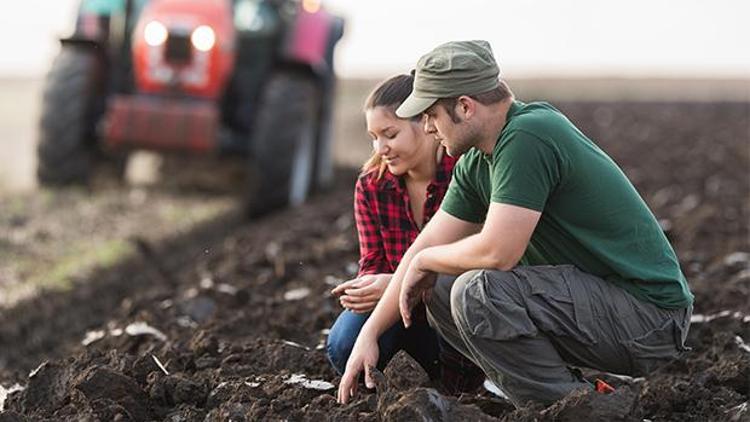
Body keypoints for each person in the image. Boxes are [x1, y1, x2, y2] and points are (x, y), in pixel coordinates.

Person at [337, 40, 693, 407]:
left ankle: (585, 409)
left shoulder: (528, 136)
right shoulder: (476, 162)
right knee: (440, 289)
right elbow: (423, 247)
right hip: (596, 305)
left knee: (478, 291)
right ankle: (567, 398)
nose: (427, 128)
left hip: (649, 318)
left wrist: (425, 262)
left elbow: (498, 252)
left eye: (431, 115)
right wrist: (371, 334)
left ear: (464, 107)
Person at [326, 74, 484, 393]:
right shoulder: (372, 185)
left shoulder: (464, 174)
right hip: (399, 315)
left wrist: (396, 283)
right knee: (344, 344)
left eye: (390, 134)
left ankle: (460, 382)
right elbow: (372, 261)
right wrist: (372, 285)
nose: (380, 148)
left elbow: (479, 264)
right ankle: (398, 378)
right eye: (373, 137)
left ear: (425, 123)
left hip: (455, 314)